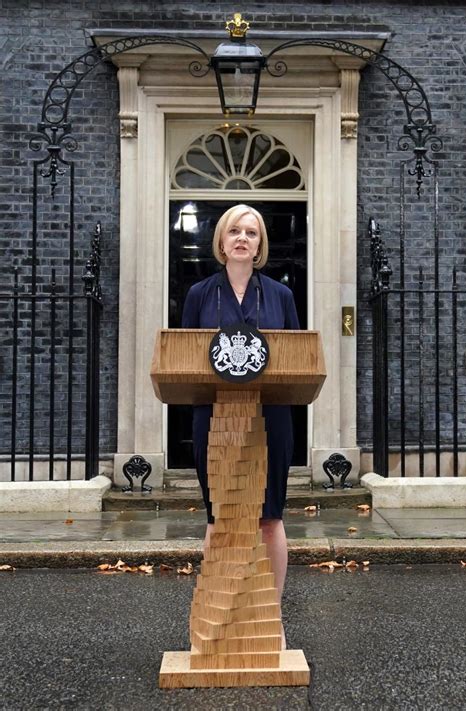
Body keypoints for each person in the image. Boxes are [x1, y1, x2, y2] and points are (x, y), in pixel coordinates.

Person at [181, 204, 300, 646]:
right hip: (215, 418)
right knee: (220, 519)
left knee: (269, 519)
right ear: (222, 241)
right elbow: (188, 358)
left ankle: (270, 618)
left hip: (271, 418)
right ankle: (216, 621)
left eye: (251, 232)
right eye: (235, 230)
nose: (243, 238)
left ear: (260, 244)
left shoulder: (281, 296)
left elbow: (293, 358)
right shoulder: (199, 295)